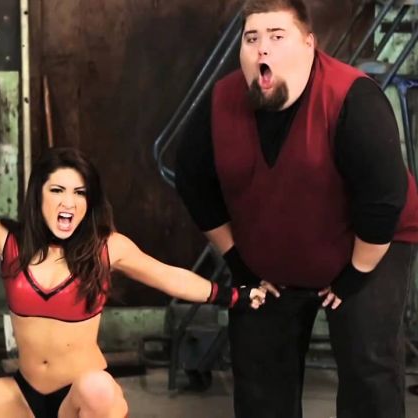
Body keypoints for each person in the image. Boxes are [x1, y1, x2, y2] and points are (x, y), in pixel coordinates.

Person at [0, 147, 266, 418]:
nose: (69, 202)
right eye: (58, 190)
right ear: (38, 195)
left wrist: (235, 296)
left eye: (80, 193)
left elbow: (169, 277)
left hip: (81, 400)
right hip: (24, 393)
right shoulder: (7, 241)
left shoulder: (106, 248)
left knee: (98, 387)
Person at [175, 1, 418, 417]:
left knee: (367, 361)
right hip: (274, 251)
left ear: (309, 45)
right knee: (259, 366)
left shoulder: (352, 98)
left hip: (368, 244)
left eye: (277, 36)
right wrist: (240, 264)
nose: (262, 48)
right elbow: (192, 182)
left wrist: (354, 276)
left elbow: (385, 200)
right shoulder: (221, 102)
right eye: (252, 38)